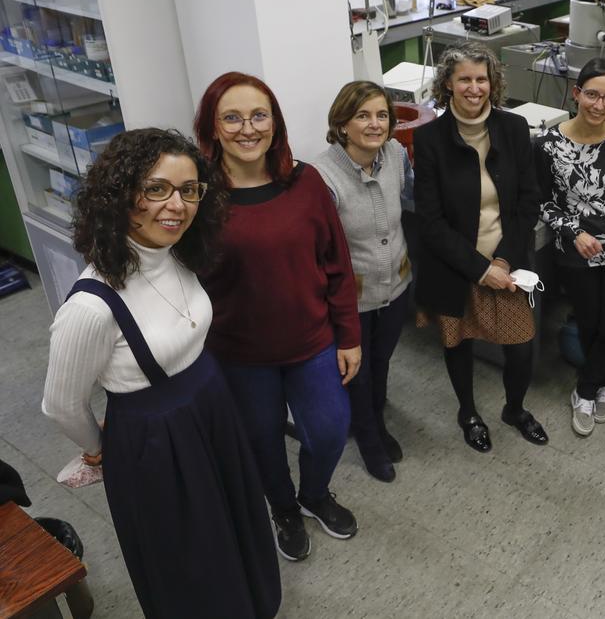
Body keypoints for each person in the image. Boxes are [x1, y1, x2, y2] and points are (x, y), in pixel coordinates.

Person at [42, 128, 281, 617]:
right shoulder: (91, 305)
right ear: (121, 193)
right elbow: (61, 404)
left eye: (189, 190)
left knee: (237, 522)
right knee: (193, 559)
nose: (177, 205)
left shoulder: (177, 255)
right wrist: (98, 450)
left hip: (211, 410)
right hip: (156, 443)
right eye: (157, 189)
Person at [195, 72, 361, 562]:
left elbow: (337, 263)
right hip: (239, 354)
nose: (247, 129)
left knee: (330, 430)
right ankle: (283, 507)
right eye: (232, 117)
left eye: (258, 115)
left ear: (275, 122)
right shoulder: (200, 198)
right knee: (261, 439)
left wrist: (349, 335)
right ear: (212, 127)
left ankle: (313, 494)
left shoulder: (304, 181)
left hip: (312, 341)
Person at [413, 42, 547, 453]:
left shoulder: (513, 129)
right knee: (458, 345)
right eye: (464, 79)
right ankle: (468, 412)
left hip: (507, 265)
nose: (474, 88)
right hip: (456, 267)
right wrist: (479, 268)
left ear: (493, 82)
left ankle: (515, 409)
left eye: (481, 78)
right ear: (448, 85)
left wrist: (503, 259)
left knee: (521, 349)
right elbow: (430, 222)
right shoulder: (429, 139)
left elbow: (528, 203)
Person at [313, 81, 413, 483]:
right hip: (354, 298)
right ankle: (370, 439)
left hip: (397, 285)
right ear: (341, 123)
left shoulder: (396, 154)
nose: (375, 124)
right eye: (363, 116)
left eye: (382, 115)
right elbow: (322, 251)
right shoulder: (322, 176)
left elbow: (405, 202)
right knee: (359, 370)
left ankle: (373, 416)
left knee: (382, 360)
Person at [535, 57, 605, 437]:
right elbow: (542, 202)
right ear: (577, 93)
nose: (599, 105)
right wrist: (574, 232)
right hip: (577, 249)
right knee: (592, 326)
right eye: (592, 94)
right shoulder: (548, 145)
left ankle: (584, 389)